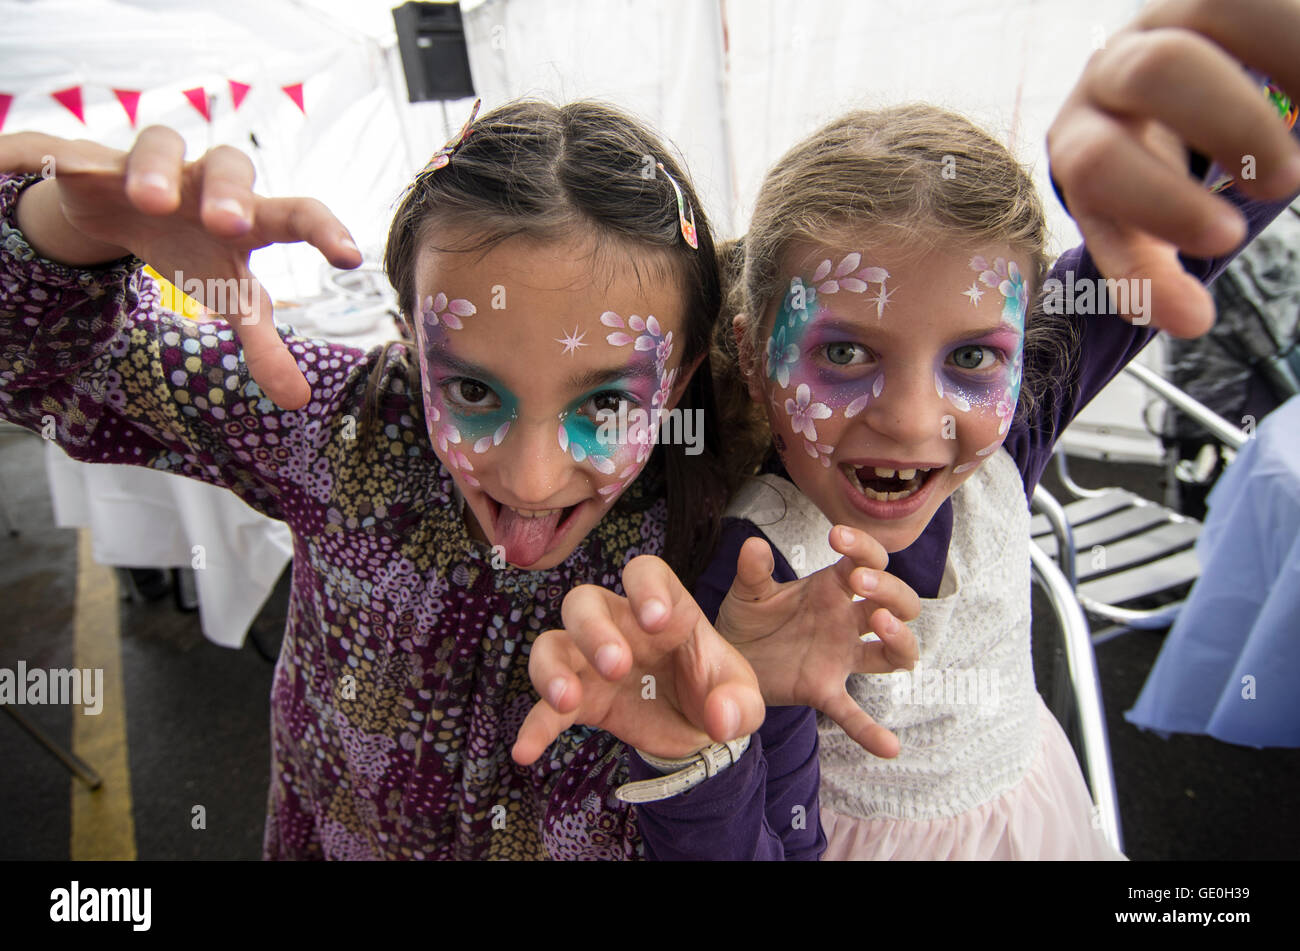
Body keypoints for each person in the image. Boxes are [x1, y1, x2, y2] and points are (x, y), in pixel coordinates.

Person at [0, 98, 924, 860]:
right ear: (409, 342)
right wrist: (69, 232)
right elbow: (45, 365)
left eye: (604, 407)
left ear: (679, 379)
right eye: (473, 389)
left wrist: (707, 759)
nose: (529, 476)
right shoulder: (339, 427)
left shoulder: (730, 573)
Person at [515, 0, 1300, 859]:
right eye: (845, 349)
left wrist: (1250, 69)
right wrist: (706, 748)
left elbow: (1221, 202)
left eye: (972, 358)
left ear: (1024, 347)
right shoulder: (755, 584)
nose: (915, 420)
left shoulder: (1019, 422)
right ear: (750, 345)